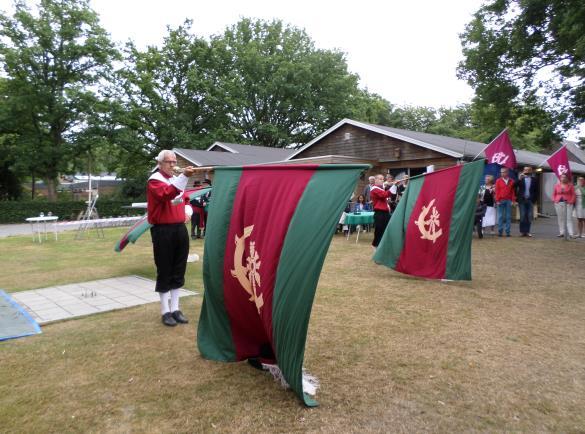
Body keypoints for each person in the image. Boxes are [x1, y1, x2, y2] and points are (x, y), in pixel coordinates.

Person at [147, 150, 196, 327]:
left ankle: (175, 308)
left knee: (179, 268)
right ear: (160, 163)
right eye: (169, 162)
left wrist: (188, 211)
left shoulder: (175, 180)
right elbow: (167, 194)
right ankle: (165, 311)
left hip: (179, 228)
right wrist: (183, 175)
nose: (173, 165)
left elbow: (187, 198)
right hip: (163, 230)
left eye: (174, 161)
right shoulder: (155, 180)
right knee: (165, 268)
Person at [515, 166, 539, 237]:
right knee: (522, 216)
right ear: (523, 170)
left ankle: (527, 231)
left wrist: (534, 200)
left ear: (531, 171)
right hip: (522, 200)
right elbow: (514, 186)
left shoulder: (534, 179)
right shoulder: (521, 179)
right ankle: (522, 231)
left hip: (530, 200)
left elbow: (537, 191)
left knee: (529, 216)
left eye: (528, 170)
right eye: (525, 170)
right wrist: (519, 179)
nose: (527, 171)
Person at [370, 174, 391, 248]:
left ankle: (382, 247)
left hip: (385, 213)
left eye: (383, 179)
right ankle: (375, 245)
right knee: (379, 230)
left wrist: (393, 186)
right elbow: (384, 195)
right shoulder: (374, 189)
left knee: (386, 230)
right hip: (379, 213)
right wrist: (393, 186)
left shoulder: (382, 188)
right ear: (375, 180)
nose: (382, 180)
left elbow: (390, 194)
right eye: (380, 179)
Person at [552, 174, 576, 238]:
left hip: (568, 203)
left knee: (569, 218)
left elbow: (573, 194)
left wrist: (571, 201)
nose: (563, 178)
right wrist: (554, 200)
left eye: (565, 177)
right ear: (560, 178)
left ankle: (571, 233)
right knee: (560, 218)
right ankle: (561, 232)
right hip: (558, 202)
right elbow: (554, 194)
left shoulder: (570, 186)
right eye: (562, 177)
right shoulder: (557, 185)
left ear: (567, 178)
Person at [494, 167, 516, 237]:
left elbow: (513, 192)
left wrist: (513, 200)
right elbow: (497, 191)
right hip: (500, 200)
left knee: (508, 217)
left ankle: (508, 232)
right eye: (501, 172)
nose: (502, 173)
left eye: (503, 172)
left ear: (507, 173)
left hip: (509, 201)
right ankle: (500, 232)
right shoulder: (498, 181)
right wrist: (497, 200)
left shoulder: (512, 181)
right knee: (500, 217)